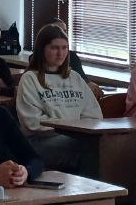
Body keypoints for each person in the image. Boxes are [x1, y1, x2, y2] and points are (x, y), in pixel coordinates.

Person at [15, 23, 101, 169]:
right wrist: (69, 129)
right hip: (39, 141)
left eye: (64, 48)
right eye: (54, 48)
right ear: (42, 49)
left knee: (103, 144)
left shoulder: (75, 77)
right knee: (84, 147)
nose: (60, 53)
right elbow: (33, 122)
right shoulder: (30, 79)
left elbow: (94, 115)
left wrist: (78, 131)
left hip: (75, 136)